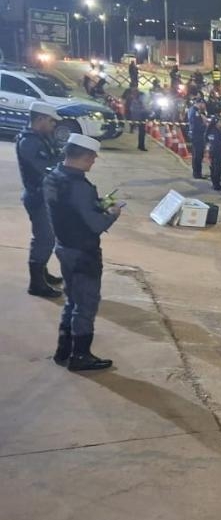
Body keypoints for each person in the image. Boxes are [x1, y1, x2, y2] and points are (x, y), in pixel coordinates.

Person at [44, 134, 121, 371]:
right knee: (86, 304)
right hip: (82, 252)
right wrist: (113, 213)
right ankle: (80, 356)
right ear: (85, 157)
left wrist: (95, 205)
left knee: (72, 300)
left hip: (64, 246)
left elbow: (69, 210)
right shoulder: (78, 186)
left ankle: (63, 350)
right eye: (93, 158)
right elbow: (96, 225)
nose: (94, 162)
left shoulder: (54, 176)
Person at [16, 101, 64, 298]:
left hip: (45, 195)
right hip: (38, 196)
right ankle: (36, 284)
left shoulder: (40, 138)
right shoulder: (29, 142)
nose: (54, 125)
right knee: (44, 239)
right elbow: (44, 168)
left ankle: (42, 274)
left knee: (46, 238)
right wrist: (64, 160)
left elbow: (53, 157)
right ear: (41, 119)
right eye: (52, 121)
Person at [187, 99, 208, 179]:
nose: (204, 106)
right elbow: (197, 125)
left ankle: (197, 173)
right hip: (197, 135)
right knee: (198, 155)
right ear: (200, 103)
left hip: (196, 135)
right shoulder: (195, 111)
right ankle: (197, 173)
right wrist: (205, 125)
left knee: (198, 154)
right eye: (204, 104)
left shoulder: (194, 110)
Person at [206, 116, 221, 191]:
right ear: (216, 123)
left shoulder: (210, 130)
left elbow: (206, 138)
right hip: (217, 151)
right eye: (220, 122)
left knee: (213, 167)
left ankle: (214, 183)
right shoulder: (217, 131)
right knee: (217, 168)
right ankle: (216, 185)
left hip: (212, 151)